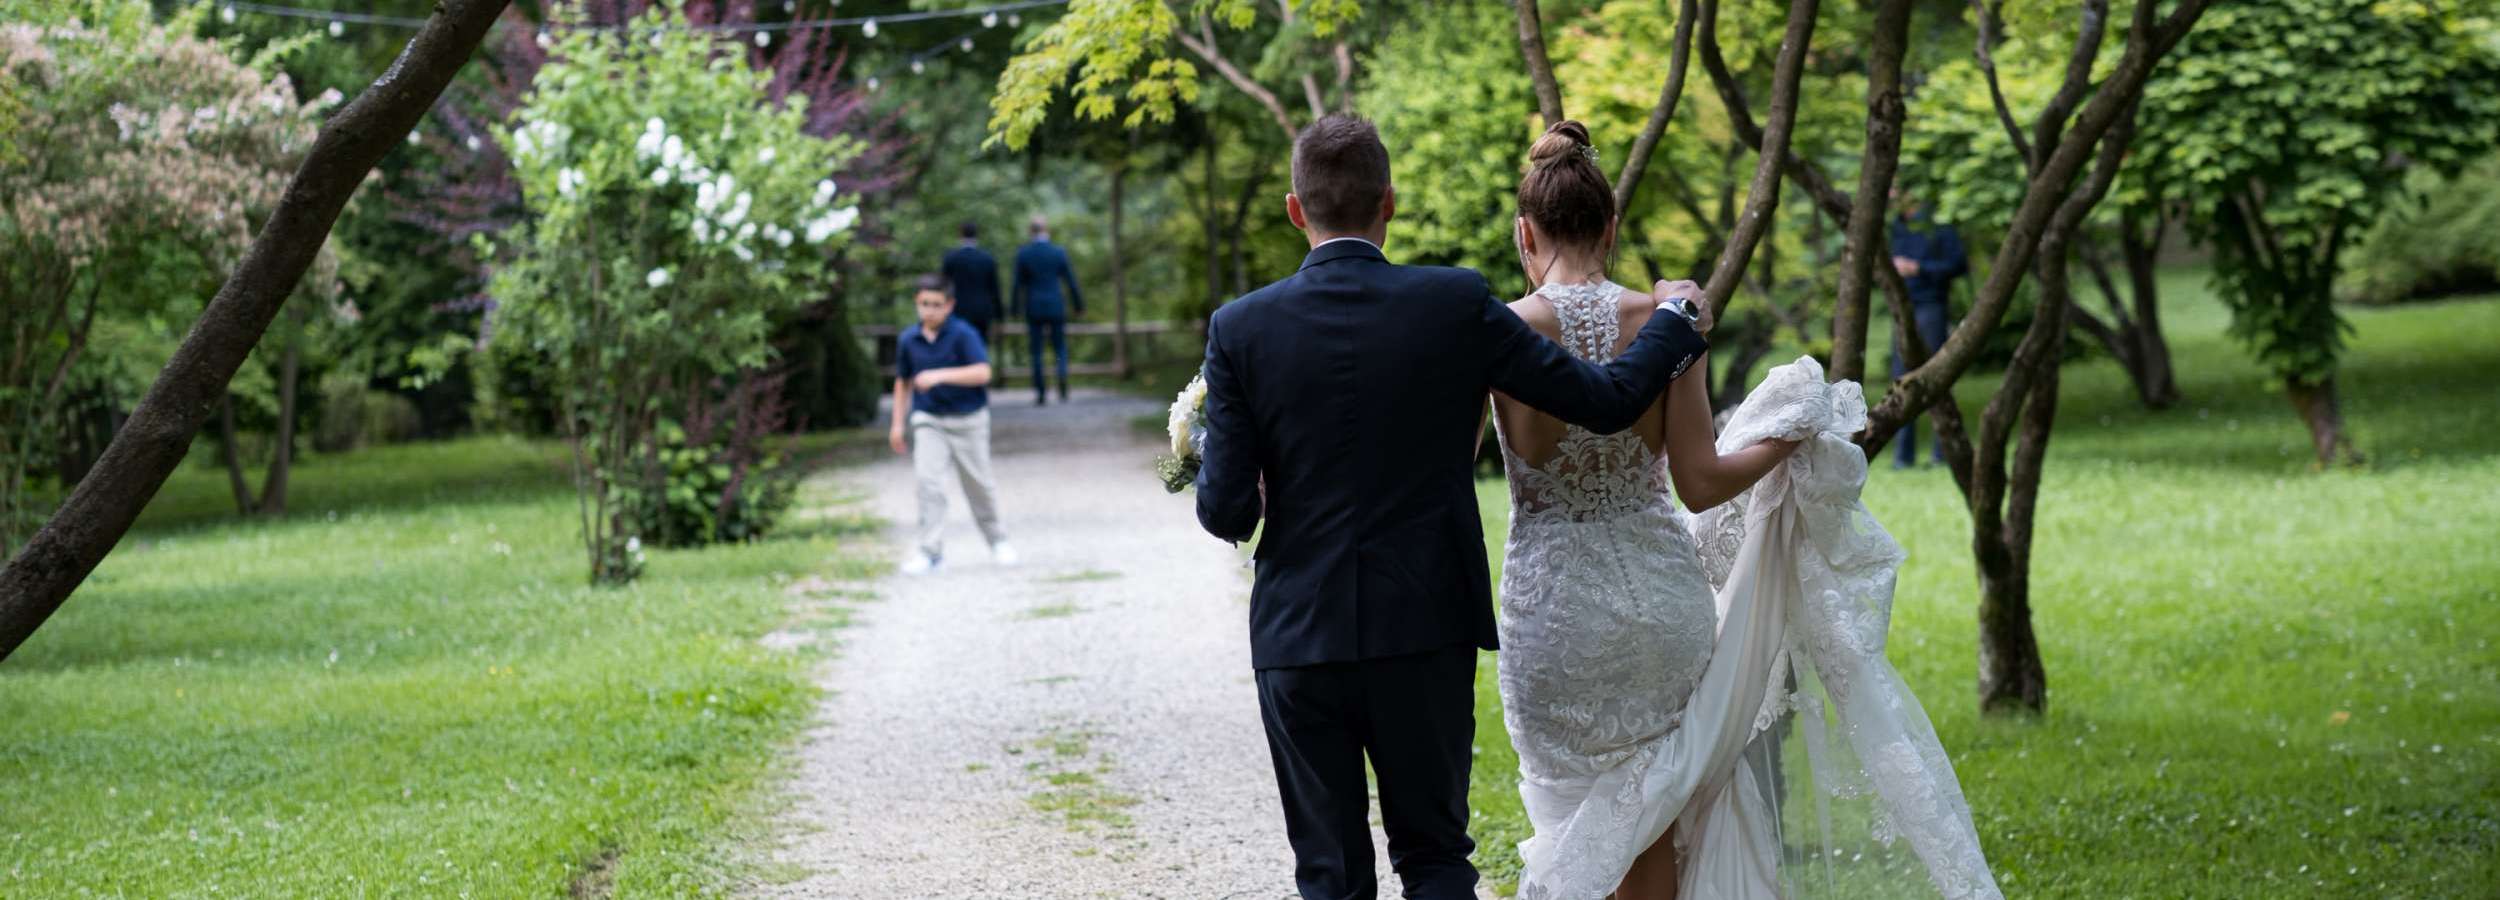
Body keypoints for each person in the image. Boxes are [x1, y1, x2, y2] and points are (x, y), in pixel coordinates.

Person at [1190, 113, 1711, 900]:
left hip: (1300, 637)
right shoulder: (1453, 302)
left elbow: (1227, 513)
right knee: (1435, 860)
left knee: (1329, 873)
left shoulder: (1240, 328)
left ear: (1297, 209)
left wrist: (1220, 463)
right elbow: (1605, 403)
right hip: (1424, 625)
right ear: (1388, 202)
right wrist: (1675, 321)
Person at [1484, 122, 2005, 900]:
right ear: (1613, 228)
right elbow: (1699, 481)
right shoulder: (1668, 322)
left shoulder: (1501, 330)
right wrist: (1790, 442)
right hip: (1661, 609)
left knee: (1574, 816)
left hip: (1554, 610)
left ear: (1526, 232)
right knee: (1654, 812)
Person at [890, 274, 1017, 576]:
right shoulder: (909, 339)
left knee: (978, 483)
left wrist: (939, 375)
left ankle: (997, 540)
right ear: (917, 304)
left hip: (968, 419)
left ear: (949, 306)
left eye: (936, 304)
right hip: (928, 419)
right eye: (924, 304)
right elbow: (902, 382)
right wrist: (897, 423)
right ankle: (930, 552)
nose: (929, 311)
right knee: (928, 483)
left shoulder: (963, 334)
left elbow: (983, 372)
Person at [1888, 189, 1968, 469]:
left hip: (1931, 306)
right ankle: (1903, 457)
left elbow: (1958, 264)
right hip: (1902, 308)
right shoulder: (1895, 226)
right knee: (1901, 378)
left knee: (1935, 376)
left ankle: (1942, 452)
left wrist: (1918, 268)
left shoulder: (1938, 225)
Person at [1010, 214, 1085, 405]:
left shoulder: (1024, 253)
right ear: (1046, 230)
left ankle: (1041, 391)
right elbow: (1070, 281)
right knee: (1060, 346)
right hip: (1055, 305)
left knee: (1036, 351)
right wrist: (1078, 305)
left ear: (1030, 231)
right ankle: (1062, 382)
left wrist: (1014, 310)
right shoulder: (1058, 252)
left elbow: (1017, 285)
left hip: (1034, 306)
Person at [941, 221, 1002, 343]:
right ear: (977, 235)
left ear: (960, 235)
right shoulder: (987, 259)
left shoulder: (951, 258)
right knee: (980, 345)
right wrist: (1000, 315)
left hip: (958, 310)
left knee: (958, 346)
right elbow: (994, 289)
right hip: (982, 311)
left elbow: (944, 286)